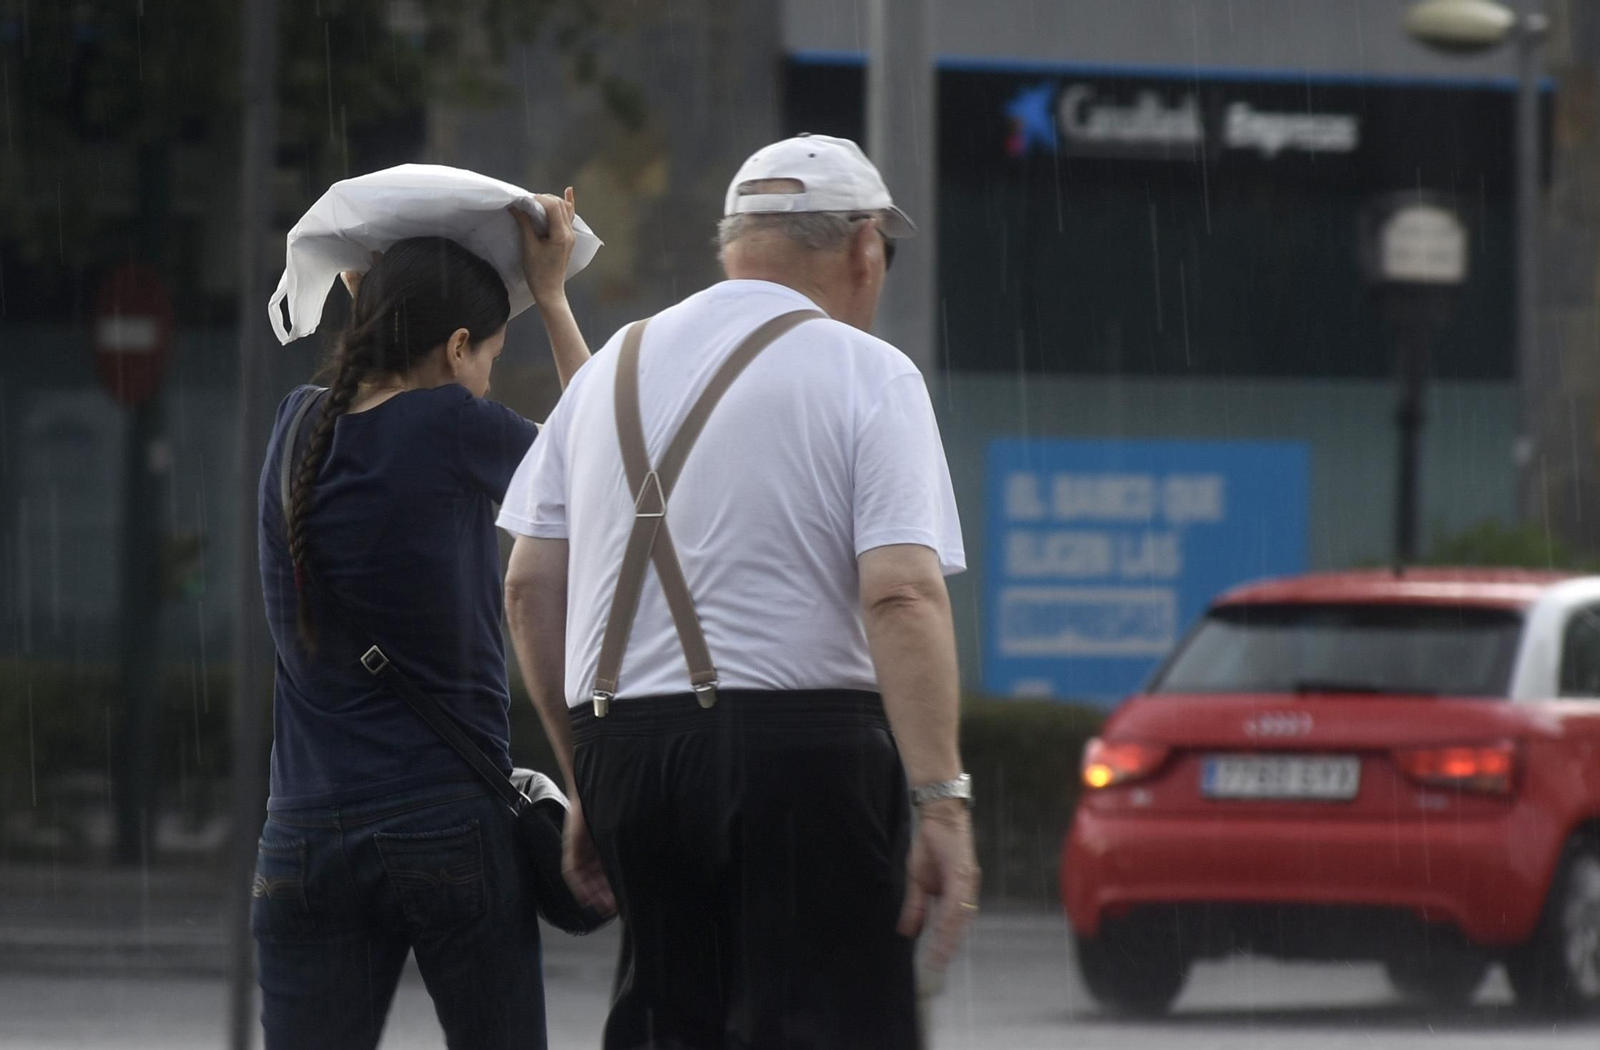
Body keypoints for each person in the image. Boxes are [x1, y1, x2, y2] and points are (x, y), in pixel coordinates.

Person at [499, 135, 979, 1050]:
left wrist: (588, 783)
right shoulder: (868, 373)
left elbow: (527, 586)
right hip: (804, 761)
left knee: (670, 1022)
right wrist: (942, 803)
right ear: (864, 247)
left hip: (628, 755)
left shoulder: (606, 374)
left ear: (734, 246)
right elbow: (903, 598)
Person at [252, 190, 597, 1050]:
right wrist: (551, 296)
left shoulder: (296, 428)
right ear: (453, 349)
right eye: (486, 357)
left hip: (302, 834)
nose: (484, 378)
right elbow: (608, 459)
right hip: (444, 823)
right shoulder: (449, 423)